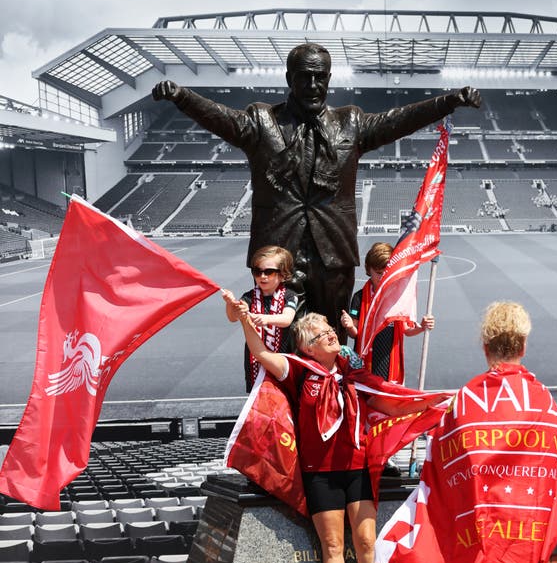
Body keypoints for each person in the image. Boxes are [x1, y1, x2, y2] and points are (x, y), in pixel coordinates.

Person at [152, 44, 481, 341]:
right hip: (278, 256)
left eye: (319, 77)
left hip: (333, 256)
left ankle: (333, 406)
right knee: (276, 341)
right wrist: (182, 97)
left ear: (329, 78)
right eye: (304, 77)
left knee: (331, 340)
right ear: (288, 78)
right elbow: (222, 119)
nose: (312, 86)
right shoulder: (261, 121)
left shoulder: (350, 122)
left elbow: (398, 120)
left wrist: (446, 102)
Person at [375, 301, 557, 563]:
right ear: (524, 344)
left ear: (485, 345)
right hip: (533, 514)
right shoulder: (544, 398)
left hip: (489, 514)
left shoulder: (467, 398)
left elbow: (446, 452)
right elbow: (553, 458)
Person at [234, 309, 446, 563]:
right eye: (322, 334)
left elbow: (392, 404)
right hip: (319, 474)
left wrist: (434, 404)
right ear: (309, 348)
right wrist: (246, 319)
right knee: (332, 545)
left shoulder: (355, 376)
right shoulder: (299, 371)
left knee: (365, 543)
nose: (332, 335)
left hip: (357, 469)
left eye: (331, 329)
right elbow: (260, 352)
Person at [340, 242, 435, 384]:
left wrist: (422, 327)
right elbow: (355, 334)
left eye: (386, 273)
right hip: (366, 360)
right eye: (378, 273)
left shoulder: (398, 297)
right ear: (368, 269)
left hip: (390, 359)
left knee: (388, 399)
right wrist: (348, 326)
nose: (382, 277)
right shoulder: (360, 297)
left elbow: (407, 330)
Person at [222, 245, 298, 391]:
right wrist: (231, 304)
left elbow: (286, 319)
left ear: (283, 275)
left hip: (282, 356)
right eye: (257, 271)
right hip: (255, 359)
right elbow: (232, 317)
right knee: (257, 395)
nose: (262, 276)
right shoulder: (249, 297)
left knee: (285, 395)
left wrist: (266, 319)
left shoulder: (289, 295)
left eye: (268, 272)